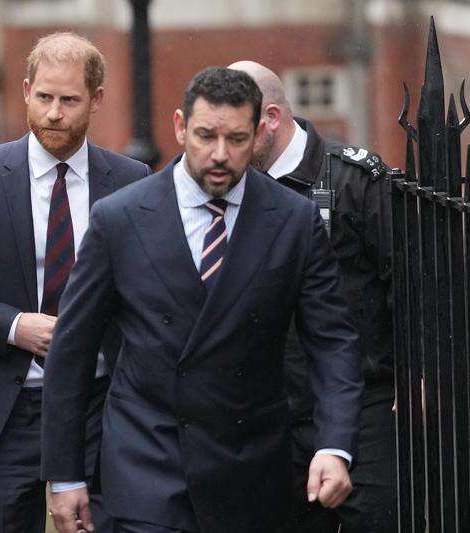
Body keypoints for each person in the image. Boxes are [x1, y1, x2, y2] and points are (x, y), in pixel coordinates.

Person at [41, 67, 364, 533]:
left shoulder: (294, 220)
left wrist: (334, 446)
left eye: (237, 139)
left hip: (251, 467)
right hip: (148, 462)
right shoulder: (119, 218)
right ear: (180, 127)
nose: (220, 154)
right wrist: (66, 474)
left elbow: (332, 341)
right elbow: (72, 350)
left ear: (259, 133)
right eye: (206, 136)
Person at [0, 32, 151, 533]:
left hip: (101, 405)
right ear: (27, 90)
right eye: (45, 96)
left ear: (96, 99)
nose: (54, 113)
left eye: (69, 100)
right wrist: (13, 327)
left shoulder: (131, 180)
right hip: (6, 408)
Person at [230, 60, 394, 533]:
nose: (224, 149)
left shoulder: (354, 180)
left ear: (271, 118)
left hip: (365, 400)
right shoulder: (226, 187)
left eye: (237, 134)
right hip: (270, 409)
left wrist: (423, 375)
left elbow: (410, 279)